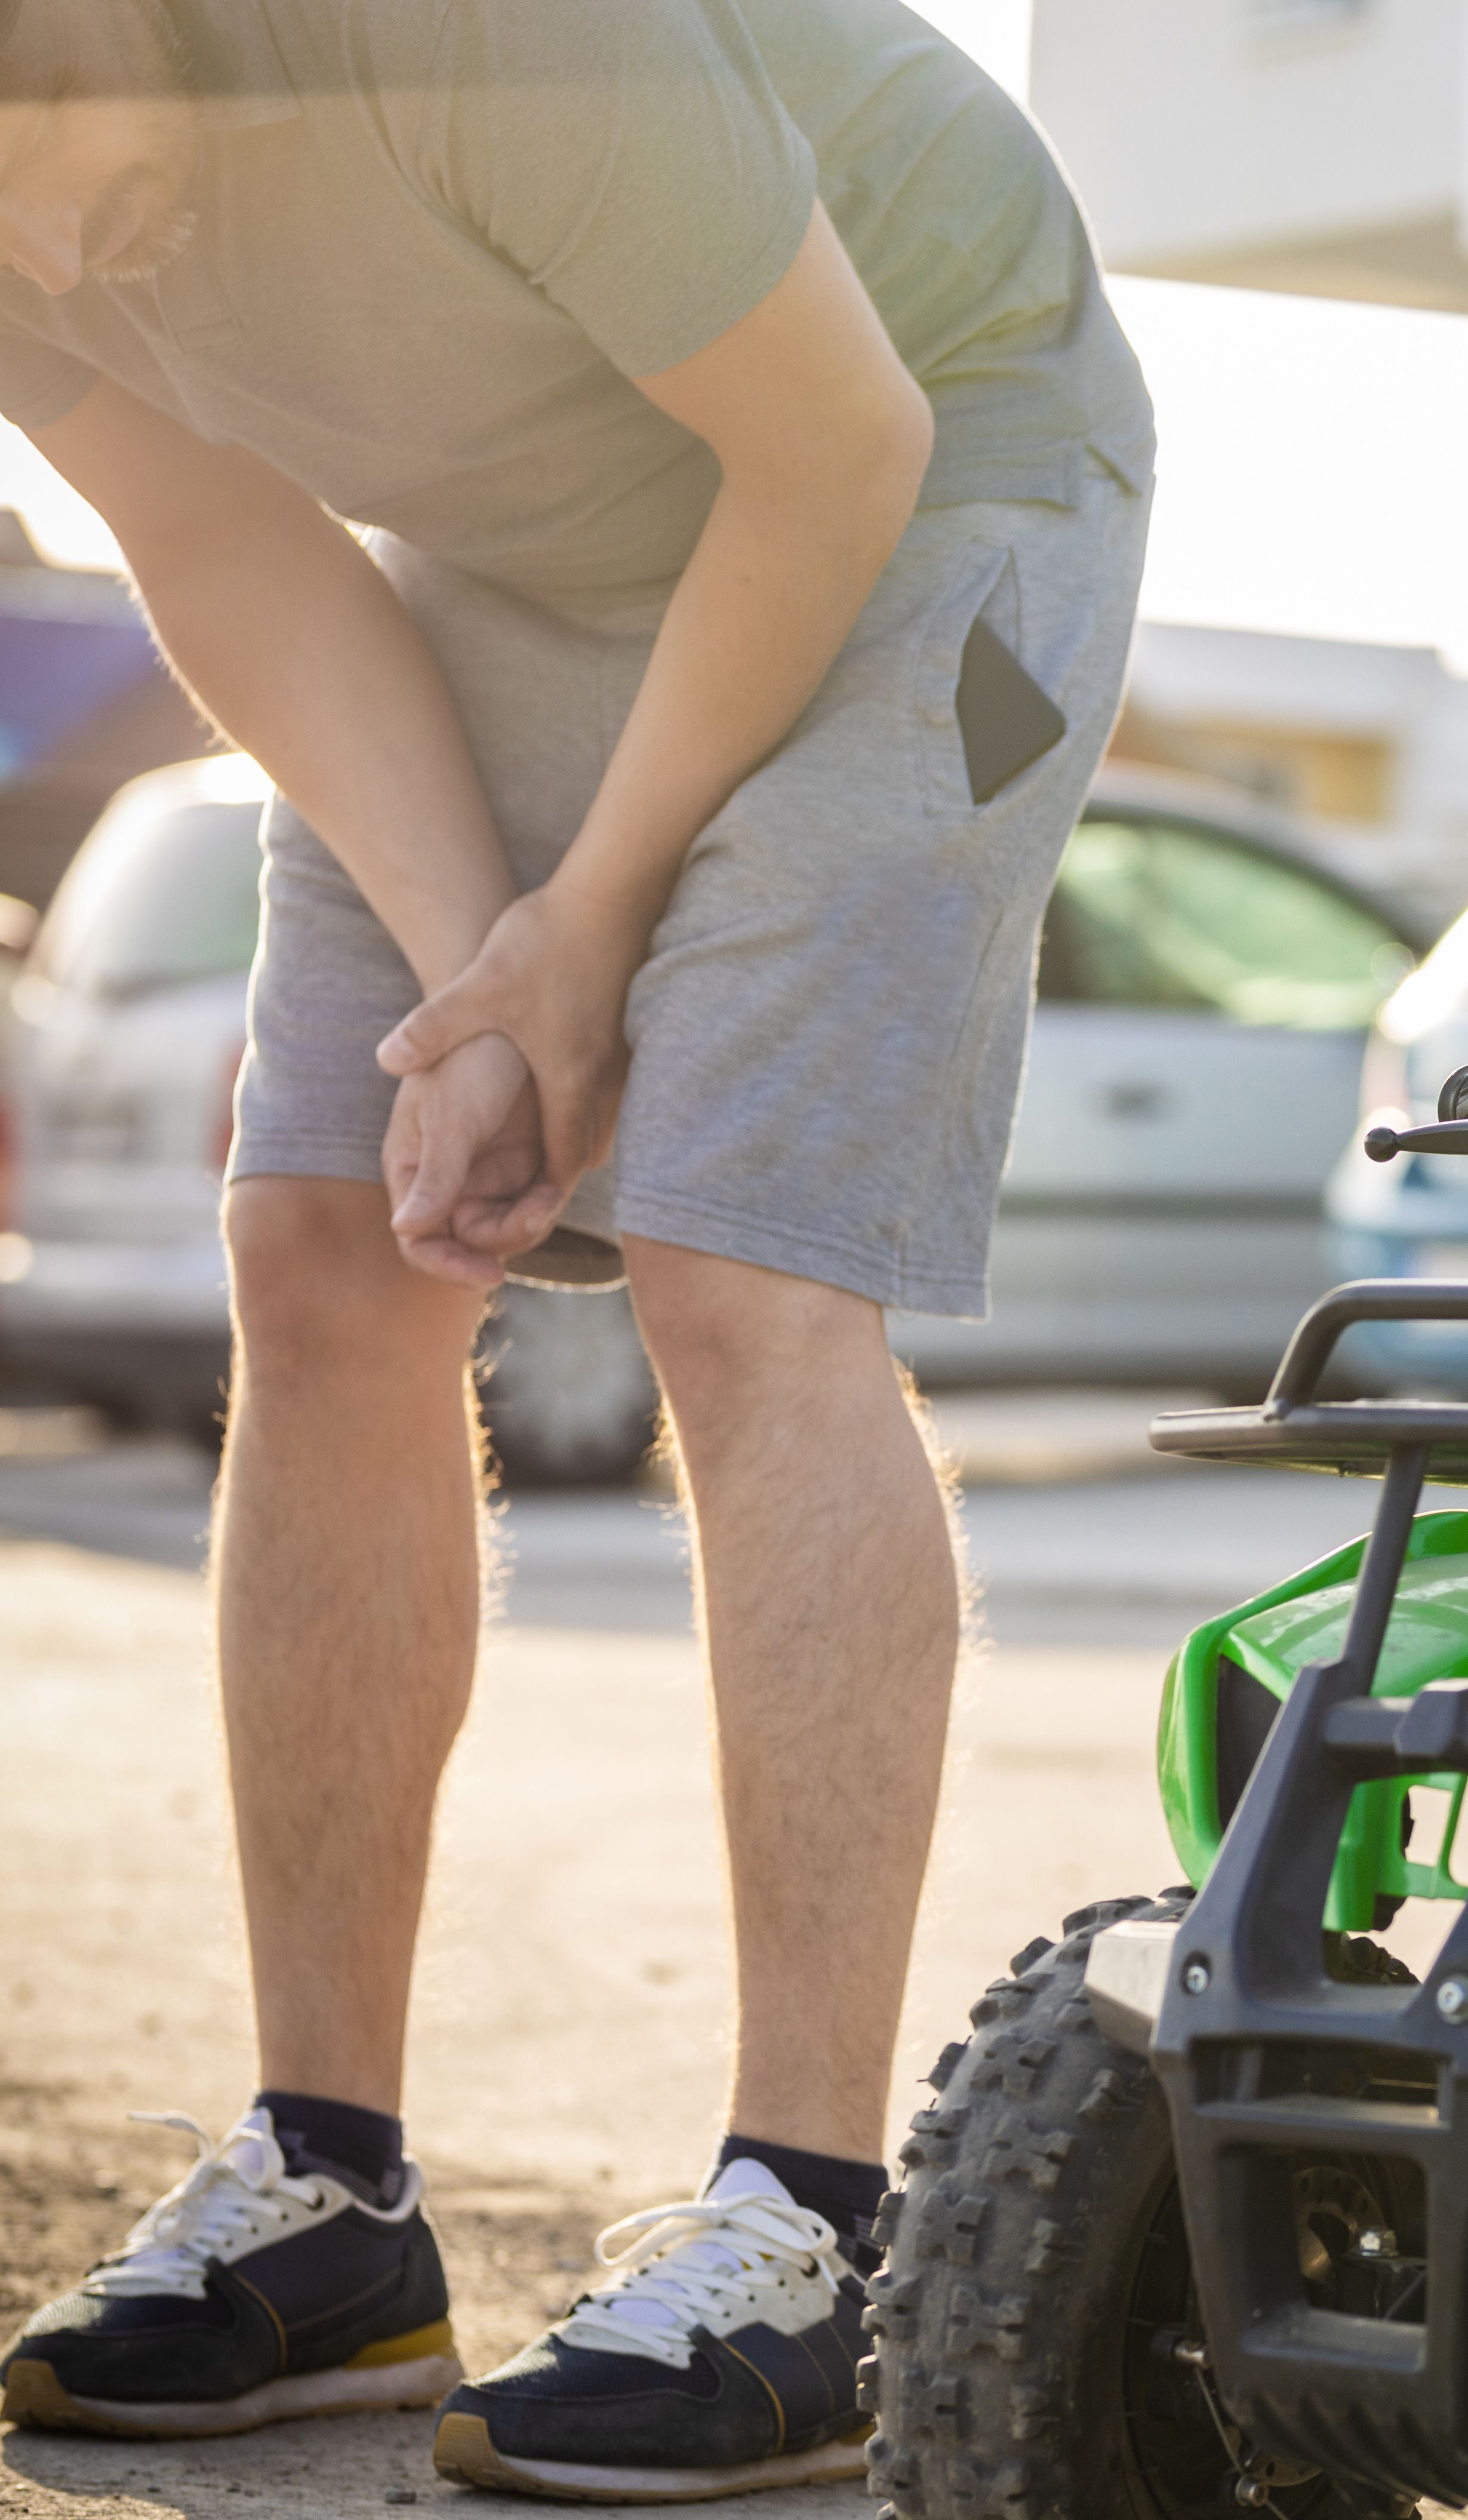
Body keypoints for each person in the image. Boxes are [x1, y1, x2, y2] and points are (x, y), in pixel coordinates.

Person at [0, 0, 1149, 2499]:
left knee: (745, 1271)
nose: (57, 259)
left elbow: (833, 445)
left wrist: (599, 914)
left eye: (70, 164)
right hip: (533, 551)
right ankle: (327, 2191)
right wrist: (480, 974)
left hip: (938, 470)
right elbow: (213, 532)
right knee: (321, 1238)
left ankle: (812, 2229)